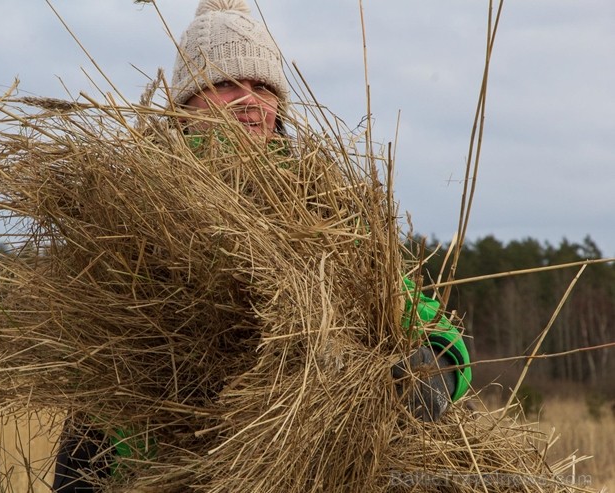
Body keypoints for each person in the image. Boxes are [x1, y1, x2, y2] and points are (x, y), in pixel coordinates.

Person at [52, 1, 471, 491]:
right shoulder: (130, 215)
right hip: (161, 470)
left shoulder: (328, 210)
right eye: (226, 84)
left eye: (262, 87)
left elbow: (417, 316)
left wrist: (437, 364)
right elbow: (95, 362)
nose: (248, 100)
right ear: (184, 104)